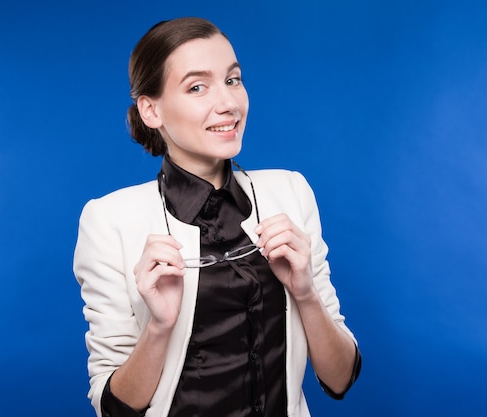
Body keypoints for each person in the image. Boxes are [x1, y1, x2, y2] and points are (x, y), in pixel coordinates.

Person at [73, 17, 361, 417]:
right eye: (197, 87)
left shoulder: (290, 192)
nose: (228, 103)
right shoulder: (109, 221)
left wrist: (306, 293)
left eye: (233, 79)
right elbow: (114, 408)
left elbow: (340, 378)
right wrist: (159, 327)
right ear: (151, 110)